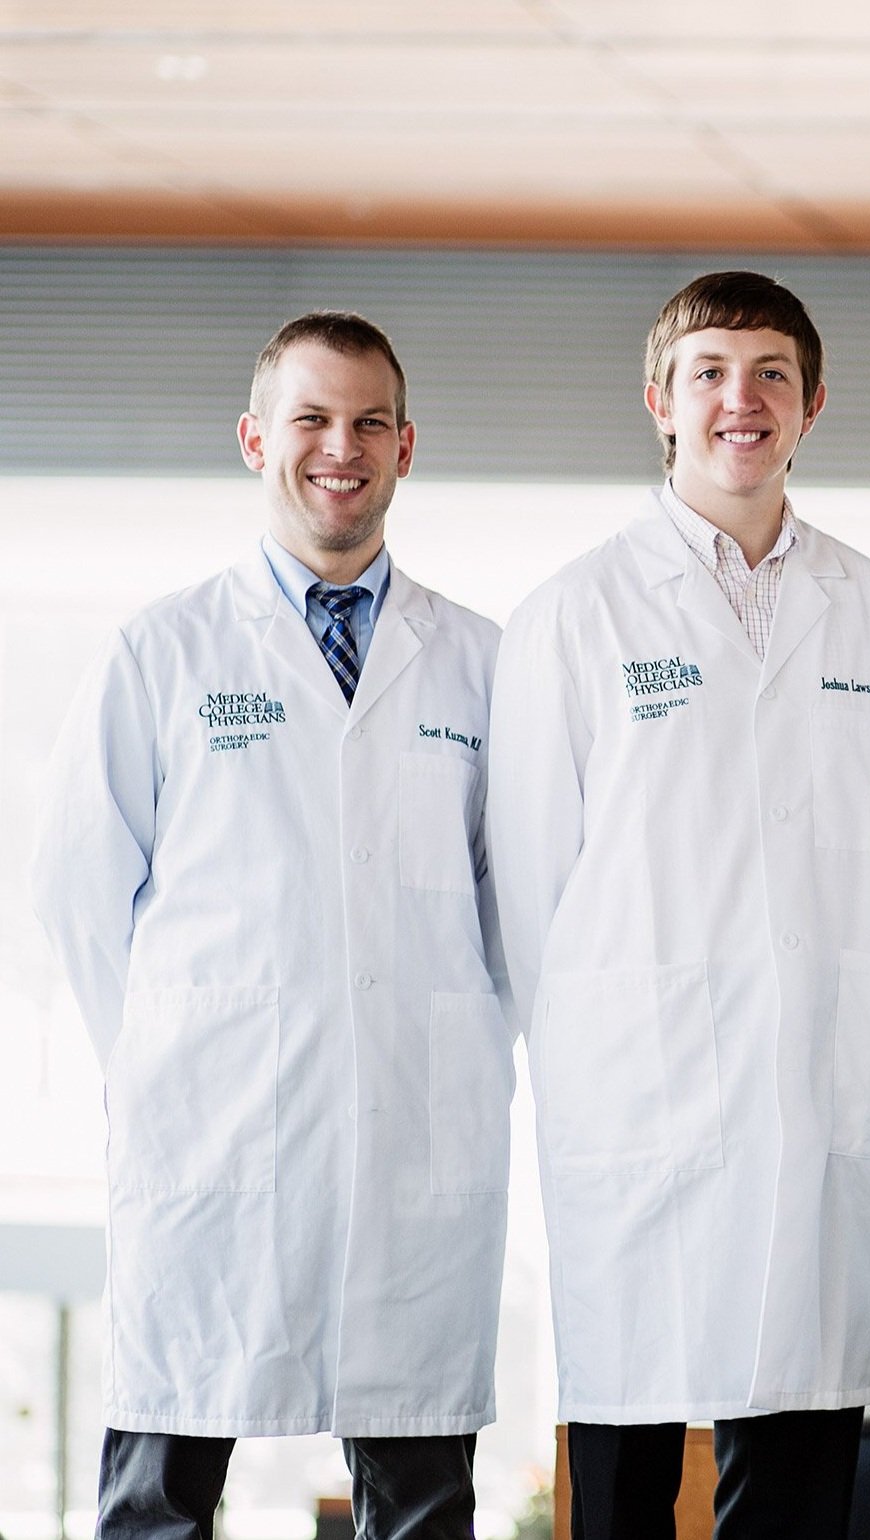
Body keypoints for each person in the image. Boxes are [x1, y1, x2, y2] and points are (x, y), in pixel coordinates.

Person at [31, 313, 508, 1540]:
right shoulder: (166, 652)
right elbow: (82, 894)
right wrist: (159, 1065)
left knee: (419, 1501)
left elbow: (517, 905)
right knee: (161, 1492)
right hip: (212, 1127)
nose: (337, 448)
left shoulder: (478, 664)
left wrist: (466, 1055)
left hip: (416, 1131)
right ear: (256, 439)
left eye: (366, 423)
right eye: (309, 418)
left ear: (407, 447)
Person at [487, 271, 870, 1540]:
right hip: (640, 1096)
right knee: (625, 1463)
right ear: (660, 402)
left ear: (812, 404)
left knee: (795, 1455)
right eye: (712, 372)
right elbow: (531, 887)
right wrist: (605, 1049)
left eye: (772, 374)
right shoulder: (574, 613)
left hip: (815, 1080)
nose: (744, 398)